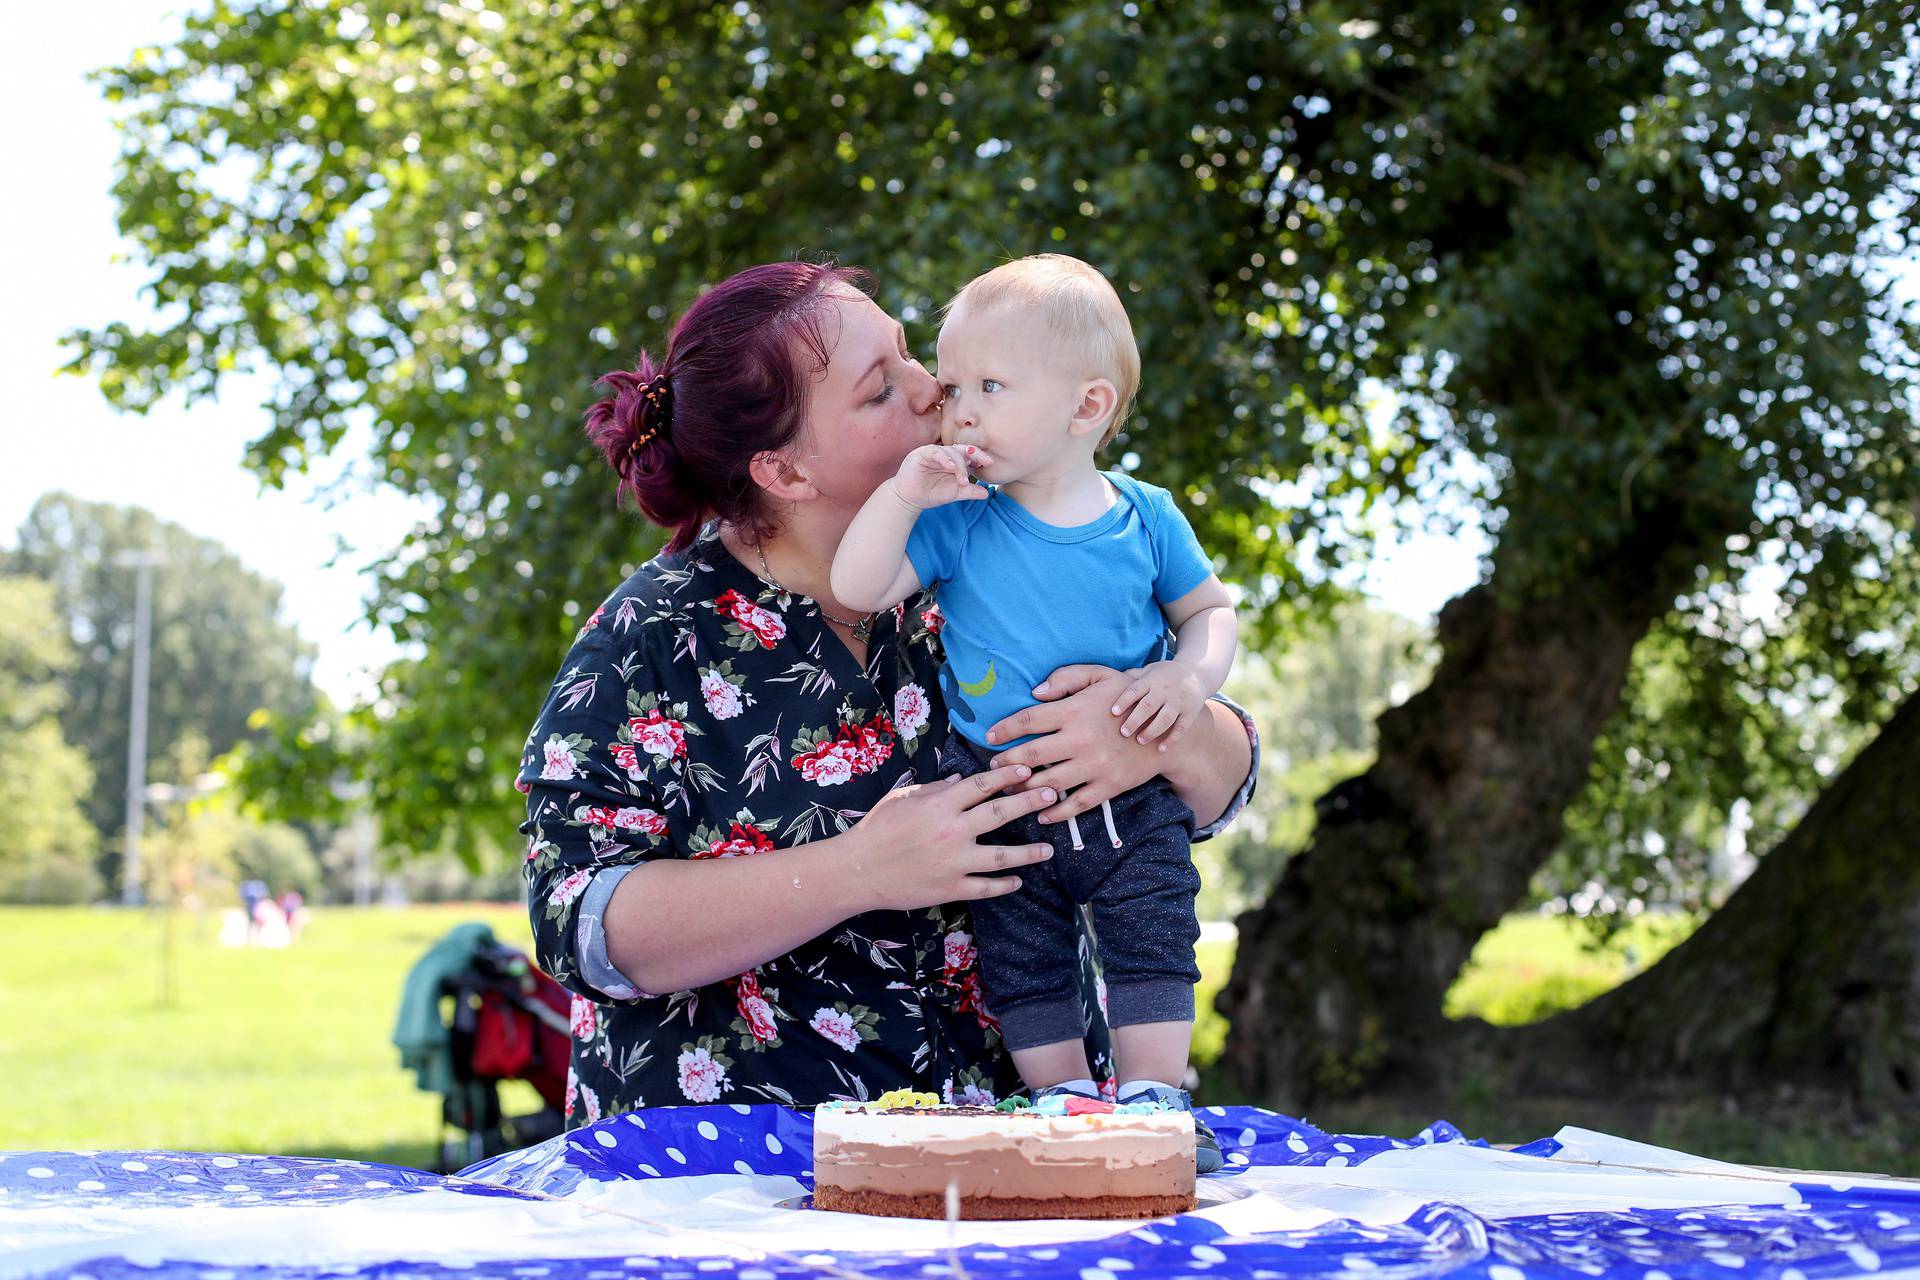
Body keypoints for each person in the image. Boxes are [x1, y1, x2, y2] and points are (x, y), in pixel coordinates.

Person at [517, 261, 1259, 1127]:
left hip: (1024, 1149)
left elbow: (1216, 788)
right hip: (744, 1186)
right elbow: (579, 923)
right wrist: (856, 871)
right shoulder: (651, 638)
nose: (930, 389)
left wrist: (1159, 728)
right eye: (880, 390)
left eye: (912, 355)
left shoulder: (994, 537)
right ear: (786, 473)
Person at [830, 254, 1236, 1169]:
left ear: (1085, 408)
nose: (958, 407)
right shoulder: (961, 518)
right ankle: (1054, 1098)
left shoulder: (1146, 515)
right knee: (1021, 952)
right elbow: (859, 588)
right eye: (954, 383)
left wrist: (1189, 683)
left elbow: (1208, 613)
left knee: (1153, 929)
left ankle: (1154, 1096)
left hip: (1128, 788)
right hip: (1003, 794)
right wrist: (903, 497)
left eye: (990, 386)